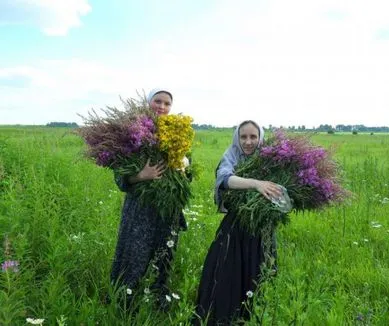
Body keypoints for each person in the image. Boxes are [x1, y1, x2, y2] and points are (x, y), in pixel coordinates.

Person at [193, 120, 282, 325]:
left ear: (260, 138)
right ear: (237, 138)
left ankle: (256, 317)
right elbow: (225, 179)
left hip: (262, 228)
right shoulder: (231, 156)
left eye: (253, 137)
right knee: (227, 274)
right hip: (235, 227)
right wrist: (256, 184)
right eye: (243, 137)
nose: (248, 142)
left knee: (259, 271)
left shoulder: (271, 160)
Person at [110, 88, 189, 310]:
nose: (162, 107)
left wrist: (184, 167)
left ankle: (157, 304)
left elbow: (186, 171)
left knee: (163, 258)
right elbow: (119, 176)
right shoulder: (134, 131)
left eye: (167, 103)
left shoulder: (178, 131)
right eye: (158, 101)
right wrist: (141, 176)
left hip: (168, 211)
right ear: (148, 103)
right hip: (140, 210)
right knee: (134, 256)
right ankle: (125, 305)